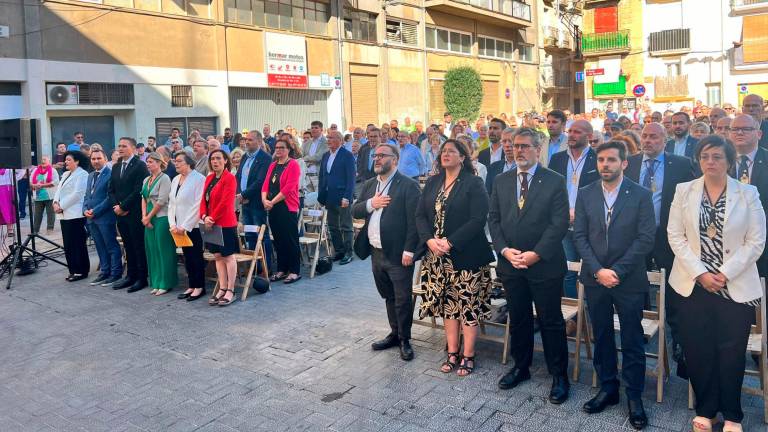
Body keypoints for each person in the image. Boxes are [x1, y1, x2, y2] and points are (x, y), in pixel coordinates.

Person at [667, 135, 765, 432]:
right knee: (698, 349)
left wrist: (724, 273)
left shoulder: (748, 193)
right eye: (705, 156)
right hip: (693, 285)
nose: (711, 162)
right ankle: (707, 409)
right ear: (698, 160)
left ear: (729, 161)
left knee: (731, 352)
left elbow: (756, 240)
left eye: (718, 157)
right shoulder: (684, 191)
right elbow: (675, 235)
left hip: (733, 286)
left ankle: (733, 415)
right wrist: (700, 273)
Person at [573, 140, 655, 430]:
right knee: (603, 334)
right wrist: (597, 270)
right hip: (595, 279)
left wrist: (616, 271)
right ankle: (608, 387)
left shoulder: (641, 195)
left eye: (611, 160)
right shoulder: (585, 194)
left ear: (624, 163)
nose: (605, 165)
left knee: (632, 339)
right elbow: (579, 236)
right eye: (601, 160)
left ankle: (634, 396)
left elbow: (646, 238)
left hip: (628, 279)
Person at [489, 128, 571, 404]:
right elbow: (494, 219)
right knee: (519, 318)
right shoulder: (501, 180)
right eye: (515, 146)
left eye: (525, 146)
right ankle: (520, 366)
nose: (519, 150)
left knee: (550, 321)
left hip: (544, 265)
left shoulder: (554, 181)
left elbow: (558, 222)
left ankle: (559, 375)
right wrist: (503, 250)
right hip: (511, 264)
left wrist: (536, 254)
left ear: (538, 149)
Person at [416, 139, 494, 377]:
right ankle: (452, 352)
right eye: (443, 151)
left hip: (465, 256)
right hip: (436, 258)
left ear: (463, 157)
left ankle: (468, 355)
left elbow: (478, 219)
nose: (445, 154)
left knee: (467, 308)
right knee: (448, 307)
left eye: (451, 151)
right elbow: (420, 216)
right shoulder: (432, 182)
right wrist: (430, 241)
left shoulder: (473, 183)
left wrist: (450, 242)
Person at [625, 122, 696, 377]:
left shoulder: (680, 163)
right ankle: (640, 329)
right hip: (636, 236)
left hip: (668, 236)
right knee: (637, 283)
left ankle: (678, 340)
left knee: (673, 287)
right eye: (644, 136)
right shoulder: (630, 162)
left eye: (654, 136)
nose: (648, 140)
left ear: (664, 140)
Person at [353, 143, 421, 361]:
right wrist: (372, 203)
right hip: (376, 251)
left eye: (383, 155)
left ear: (395, 160)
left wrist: (410, 250)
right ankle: (394, 334)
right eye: (375, 155)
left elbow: (415, 222)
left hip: (399, 253)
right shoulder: (370, 184)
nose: (377, 159)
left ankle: (405, 340)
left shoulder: (408, 185)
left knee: (402, 298)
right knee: (388, 296)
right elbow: (355, 210)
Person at [549, 120, 600, 298]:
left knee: (591, 270)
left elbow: (601, 192)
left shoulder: (598, 159)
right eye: (570, 131)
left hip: (590, 225)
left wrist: (581, 213)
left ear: (590, 136)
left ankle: (589, 314)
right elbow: (551, 191)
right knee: (568, 271)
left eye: (577, 132)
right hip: (563, 225)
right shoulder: (557, 159)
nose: (571, 135)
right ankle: (575, 318)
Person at [108, 137, 150, 293]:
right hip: (120, 214)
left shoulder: (140, 166)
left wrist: (124, 206)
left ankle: (141, 277)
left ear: (132, 148)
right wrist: (116, 206)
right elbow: (111, 189)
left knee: (138, 246)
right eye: (119, 146)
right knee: (128, 246)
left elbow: (139, 190)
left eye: (124, 146)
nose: (120, 148)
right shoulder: (116, 166)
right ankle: (130, 276)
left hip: (133, 213)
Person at [729, 114, 768, 278]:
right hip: (730, 243)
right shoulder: (719, 161)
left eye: (746, 129)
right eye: (735, 129)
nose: (740, 133)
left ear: (758, 134)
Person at [200, 150, 239, 307]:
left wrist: (212, 218)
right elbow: (203, 199)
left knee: (228, 256)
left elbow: (225, 202)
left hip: (225, 223)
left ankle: (231, 290)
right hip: (210, 222)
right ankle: (222, 287)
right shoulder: (209, 178)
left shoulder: (230, 178)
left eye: (218, 158)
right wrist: (204, 217)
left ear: (225, 161)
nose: (215, 161)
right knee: (217, 256)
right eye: (212, 159)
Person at [262, 139, 302, 284]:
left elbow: (289, 188)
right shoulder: (273, 165)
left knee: (290, 239)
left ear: (288, 149)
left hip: (287, 206)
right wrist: (264, 200)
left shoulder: (293, 165)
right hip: (273, 207)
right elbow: (265, 184)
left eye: (282, 148)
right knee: (278, 240)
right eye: (276, 147)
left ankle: (294, 271)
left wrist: (271, 202)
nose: (278, 150)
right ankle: (282, 269)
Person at [169, 151, 207, 302]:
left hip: (193, 226)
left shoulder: (199, 179)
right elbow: (172, 203)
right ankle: (191, 285)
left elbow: (198, 205)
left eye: (179, 161)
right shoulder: (176, 179)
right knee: (186, 257)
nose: (176, 164)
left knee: (196, 256)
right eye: (175, 161)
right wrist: (172, 224)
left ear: (189, 163)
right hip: (177, 226)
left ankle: (199, 287)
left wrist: (185, 226)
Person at [83, 149, 123, 287]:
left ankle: (115, 273)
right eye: (93, 159)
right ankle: (104, 272)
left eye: (99, 158)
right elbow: (87, 196)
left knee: (111, 245)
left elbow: (109, 197)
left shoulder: (111, 174)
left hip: (105, 217)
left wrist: (95, 210)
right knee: (99, 246)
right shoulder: (90, 175)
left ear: (105, 158)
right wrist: (85, 210)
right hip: (91, 218)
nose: (96, 161)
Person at [141, 153, 177, 296]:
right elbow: (143, 198)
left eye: (151, 162)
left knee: (164, 250)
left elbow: (162, 201)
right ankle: (156, 282)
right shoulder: (146, 179)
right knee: (152, 250)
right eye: (147, 162)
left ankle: (166, 282)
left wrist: (149, 217)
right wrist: (144, 217)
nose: (148, 164)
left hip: (161, 217)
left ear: (159, 163)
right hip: (148, 217)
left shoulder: (165, 178)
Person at [318, 131, 356, 265]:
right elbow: (322, 176)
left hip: (342, 196)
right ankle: (339, 251)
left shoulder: (347, 155)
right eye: (327, 138)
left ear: (340, 140)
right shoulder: (325, 155)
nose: (328, 140)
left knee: (346, 225)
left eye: (331, 138)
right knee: (333, 226)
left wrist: (347, 196)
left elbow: (351, 178)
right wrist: (320, 195)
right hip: (329, 196)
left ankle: (348, 252)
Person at [236, 131, 272, 268]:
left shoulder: (265, 158)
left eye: (250, 140)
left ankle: (265, 267)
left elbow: (260, 181)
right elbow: (239, 176)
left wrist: (244, 195)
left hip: (257, 202)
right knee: (250, 234)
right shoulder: (245, 156)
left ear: (259, 141)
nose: (246, 142)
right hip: (245, 202)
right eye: (246, 139)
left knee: (261, 235)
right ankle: (254, 266)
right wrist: (240, 193)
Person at [53, 151, 90, 282]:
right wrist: (55, 202)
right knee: (68, 244)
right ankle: (73, 270)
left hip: (75, 214)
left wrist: (61, 205)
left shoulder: (83, 174)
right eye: (65, 160)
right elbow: (58, 190)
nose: (66, 162)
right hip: (63, 214)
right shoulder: (65, 174)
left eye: (69, 160)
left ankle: (81, 270)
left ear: (77, 161)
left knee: (77, 243)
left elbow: (78, 194)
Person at [30, 156, 59, 234]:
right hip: (38, 195)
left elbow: (56, 182)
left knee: (50, 213)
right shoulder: (35, 170)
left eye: (45, 159)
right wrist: (34, 185)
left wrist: (43, 185)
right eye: (41, 159)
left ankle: (50, 228)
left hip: (50, 195)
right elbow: (30, 181)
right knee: (37, 214)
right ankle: (35, 230)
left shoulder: (53, 170)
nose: (43, 161)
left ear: (49, 161)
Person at [485, 127, 516, 195]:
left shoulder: (526, 166)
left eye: (511, 141)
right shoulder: (493, 168)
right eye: (504, 141)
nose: (507, 145)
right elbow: (488, 194)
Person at [302, 121, 328, 192]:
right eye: (312, 128)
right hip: (307, 176)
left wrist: (306, 159)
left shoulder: (325, 142)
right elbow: (302, 157)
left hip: (318, 176)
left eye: (316, 128)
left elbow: (318, 157)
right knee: (307, 201)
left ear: (321, 130)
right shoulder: (307, 143)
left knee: (318, 200)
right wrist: (308, 161)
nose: (313, 130)